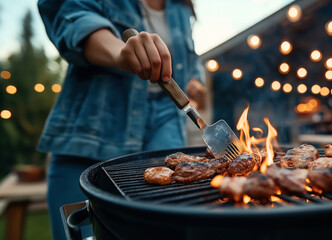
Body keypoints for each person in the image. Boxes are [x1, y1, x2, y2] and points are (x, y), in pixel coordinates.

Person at [37, 0, 206, 239]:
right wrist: (120, 53)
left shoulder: (180, 7)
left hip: (166, 122)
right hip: (94, 125)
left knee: (163, 227)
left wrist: (196, 81)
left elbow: (189, 57)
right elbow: (73, 18)